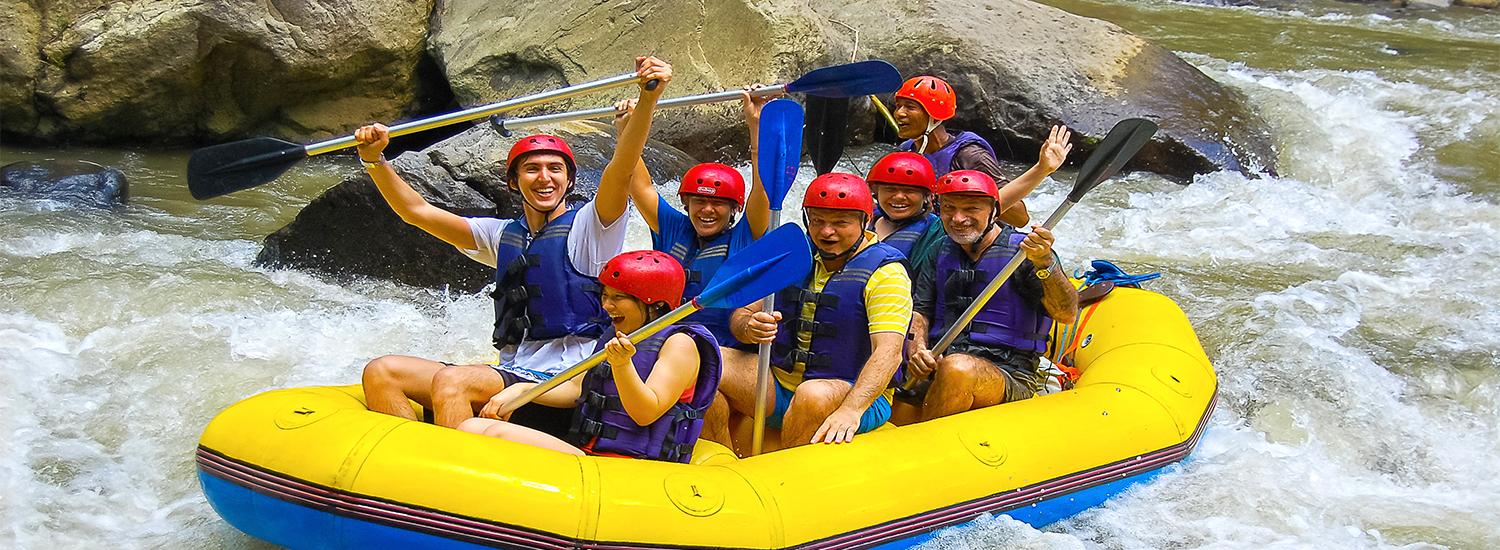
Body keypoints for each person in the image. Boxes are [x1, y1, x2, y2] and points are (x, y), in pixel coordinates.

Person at [355, 56, 673, 434]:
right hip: (510, 371)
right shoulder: (500, 234)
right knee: (382, 372)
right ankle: (407, 474)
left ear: (569, 182)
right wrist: (374, 159)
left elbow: (622, 168)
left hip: (563, 384)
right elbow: (417, 212)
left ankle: (458, 482)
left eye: (555, 169)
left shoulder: (593, 227)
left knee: (453, 381)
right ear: (513, 181)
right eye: (532, 169)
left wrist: (648, 99)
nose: (544, 178)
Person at [705, 172, 912, 452]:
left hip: (854, 394)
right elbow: (742, 312)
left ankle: (786, 480)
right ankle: (722, 466)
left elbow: (888, 353)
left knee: (811, 395)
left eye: (840, 223)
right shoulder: (795, 256)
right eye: (817, 221)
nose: (827, 232)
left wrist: (851, 409)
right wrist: (748, 326)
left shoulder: (887, 273)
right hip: (779, 385)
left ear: (865, 222)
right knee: (703, 357)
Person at [458, 251, 721, 462]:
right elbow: (576, 388)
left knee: (497, 434)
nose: (607, 306)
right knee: (470, 428)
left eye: (619, 298)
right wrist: (520, 391)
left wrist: (622, 365)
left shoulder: (680, 345)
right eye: (605, 296)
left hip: (635, 467)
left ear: (657, 305)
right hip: (592, 453)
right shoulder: (617, 334)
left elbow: (646, 412)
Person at [901, 170, 1080, 423]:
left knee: (958, 369)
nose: (958, 218)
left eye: (971, 209)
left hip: (1011, 373)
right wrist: (917, 349)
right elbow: (921, 311)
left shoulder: (1025, 253)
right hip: (939, 363)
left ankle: (923, 451)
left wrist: (1045, 262)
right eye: (949, 208)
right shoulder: (938, 250)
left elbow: (1067, 314)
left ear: (994, 212)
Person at [619, 87, 776, 347]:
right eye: (699, 201)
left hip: (718, 350)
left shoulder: (747, 236)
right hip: (666, 342)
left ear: (735, 208)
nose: (706, 210)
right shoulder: (673, 228)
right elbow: (639, 184)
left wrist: (756, 125)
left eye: (718, 204)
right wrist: (626, 129)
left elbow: (763, 187)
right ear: (686, 202)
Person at [891, 75, 1071, 229]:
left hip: (974, 238)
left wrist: (1042, 169)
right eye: (898, 106)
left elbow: (1020, 218)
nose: (899, 113)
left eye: (910, 107)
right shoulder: (906, 151)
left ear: (935, 116)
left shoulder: (970, 156)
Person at [866, 151, 944, 269]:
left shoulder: (938, 232)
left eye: (909, 191)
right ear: (876, 193)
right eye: (890, 189)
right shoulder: (862, 222)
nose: (899, 197)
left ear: (926, 196)